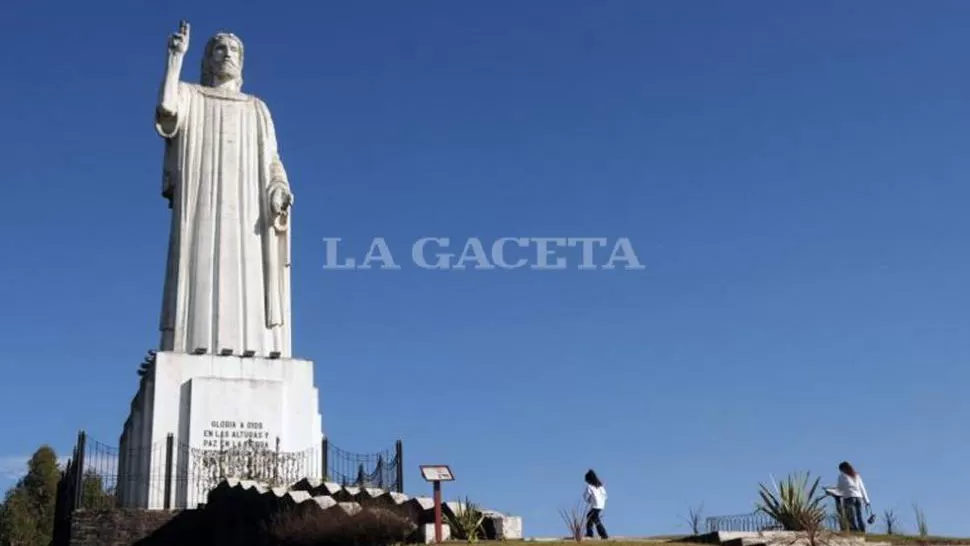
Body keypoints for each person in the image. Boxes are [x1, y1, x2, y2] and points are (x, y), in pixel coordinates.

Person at [837, 461, 871, 532]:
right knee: (859, 515)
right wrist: (866, 501)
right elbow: (862, 488)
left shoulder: (842, 476)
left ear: (843, 469)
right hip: (859, 497)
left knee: (850, 515)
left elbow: (839, 488)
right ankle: (862, 529)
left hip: (849, 497)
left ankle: (854, 529)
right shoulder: (856, 476)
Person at [583, 469, 609, 539]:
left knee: (593, 518)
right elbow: (605, 496)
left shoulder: (590, 486)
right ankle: (590, 533)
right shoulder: (600, 485)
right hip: (601, 505)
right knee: (591, 517)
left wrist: (589, 501)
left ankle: (602, 534)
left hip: (595, 505)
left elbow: (585, 496)